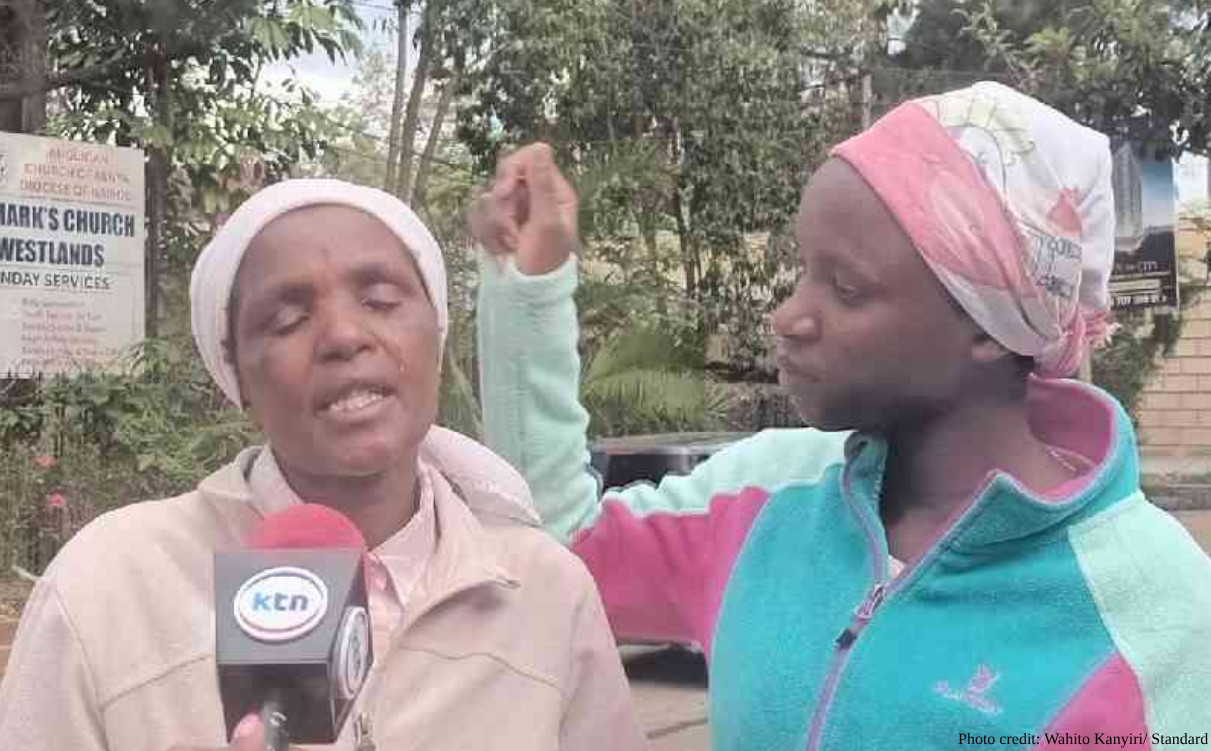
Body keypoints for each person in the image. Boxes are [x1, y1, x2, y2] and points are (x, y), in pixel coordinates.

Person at [472, 82, 1211, 750]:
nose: (788, 317)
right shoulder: (762, 498)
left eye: (846, 288)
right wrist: (529, 292)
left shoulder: (1156, 617)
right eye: (804, 272)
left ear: (989, 325)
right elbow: (554, 555)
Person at [0, 180, 645, 751]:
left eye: (381, 300)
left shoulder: (547, 592)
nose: (343, 336)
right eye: (287, 319)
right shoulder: (106, 588)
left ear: (437, 330)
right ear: (237, 376)